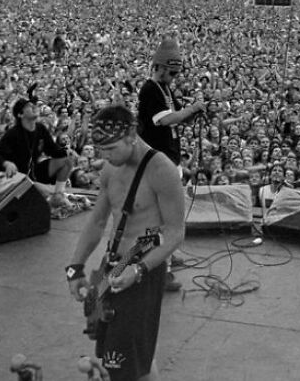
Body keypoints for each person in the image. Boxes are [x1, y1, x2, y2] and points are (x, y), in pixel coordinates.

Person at [66, 105, 185, 381]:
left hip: (142, 267)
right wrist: (75, 268)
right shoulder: (111, 169)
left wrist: (139, 270)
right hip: (113, 267)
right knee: (129, 356)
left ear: (132, 135)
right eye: (101, 150)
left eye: (110, 149)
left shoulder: (162, 171)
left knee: (121, 361)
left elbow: (176, 233)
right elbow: (96, 222)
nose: (104, 157)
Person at [137, 37, 205, 290]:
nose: (174, 77)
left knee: (168, 215)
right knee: (162, 216)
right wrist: (191, 109)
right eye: (172, 72)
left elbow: (177, 118)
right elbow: (164, 121)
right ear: (160, 67)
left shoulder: (165, 90)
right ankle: (160, 272)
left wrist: (194, 112)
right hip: (157, 160)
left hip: (170, 157)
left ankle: (163, 257)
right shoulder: (150, 90)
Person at [0, 97, 74, 210]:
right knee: (43, 193)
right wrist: (6, 163)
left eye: (33, 105)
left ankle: (58, 195)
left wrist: (65, 150)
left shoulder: (40, 128)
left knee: (67, 162)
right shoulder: (12, 133)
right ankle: (51, 195)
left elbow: (52, 150)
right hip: (17, 178)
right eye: (29, 106)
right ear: (20, 114)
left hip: (35, 172)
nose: (34, 107)